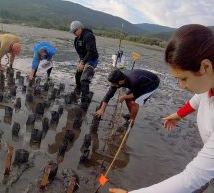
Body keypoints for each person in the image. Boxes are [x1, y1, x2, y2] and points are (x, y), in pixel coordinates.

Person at [109, 24, 214, 193]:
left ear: (206, 67)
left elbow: (191, 178)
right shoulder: (208, 84)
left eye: (184, 79)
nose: (181, 86)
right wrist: (177, 115)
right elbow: (197, 100)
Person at [95, 69, 160, 125]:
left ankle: (131, 121)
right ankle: (131, 114)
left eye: (114, 83)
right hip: (140, 82)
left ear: (121, 81)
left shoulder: (133, 81)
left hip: (151, 84)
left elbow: (137, 94)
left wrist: (124, 97)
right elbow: (108, 95)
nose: (112, 85)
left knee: (136, 102)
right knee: (127, 99)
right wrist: (102, 109)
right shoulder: (118, 80)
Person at [70, 20, 99, 109]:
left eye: (75, 31)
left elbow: (91, 51)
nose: (74, 33)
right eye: (72, 32)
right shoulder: (77, 39)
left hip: (92, 59)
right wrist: (81, 62)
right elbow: (80, 53)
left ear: (80, 28)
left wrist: (83, 63)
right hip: (83, 59)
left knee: (85, 80)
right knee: (77, 76)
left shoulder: (88, 36)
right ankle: (78, 91)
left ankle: (84, 102)